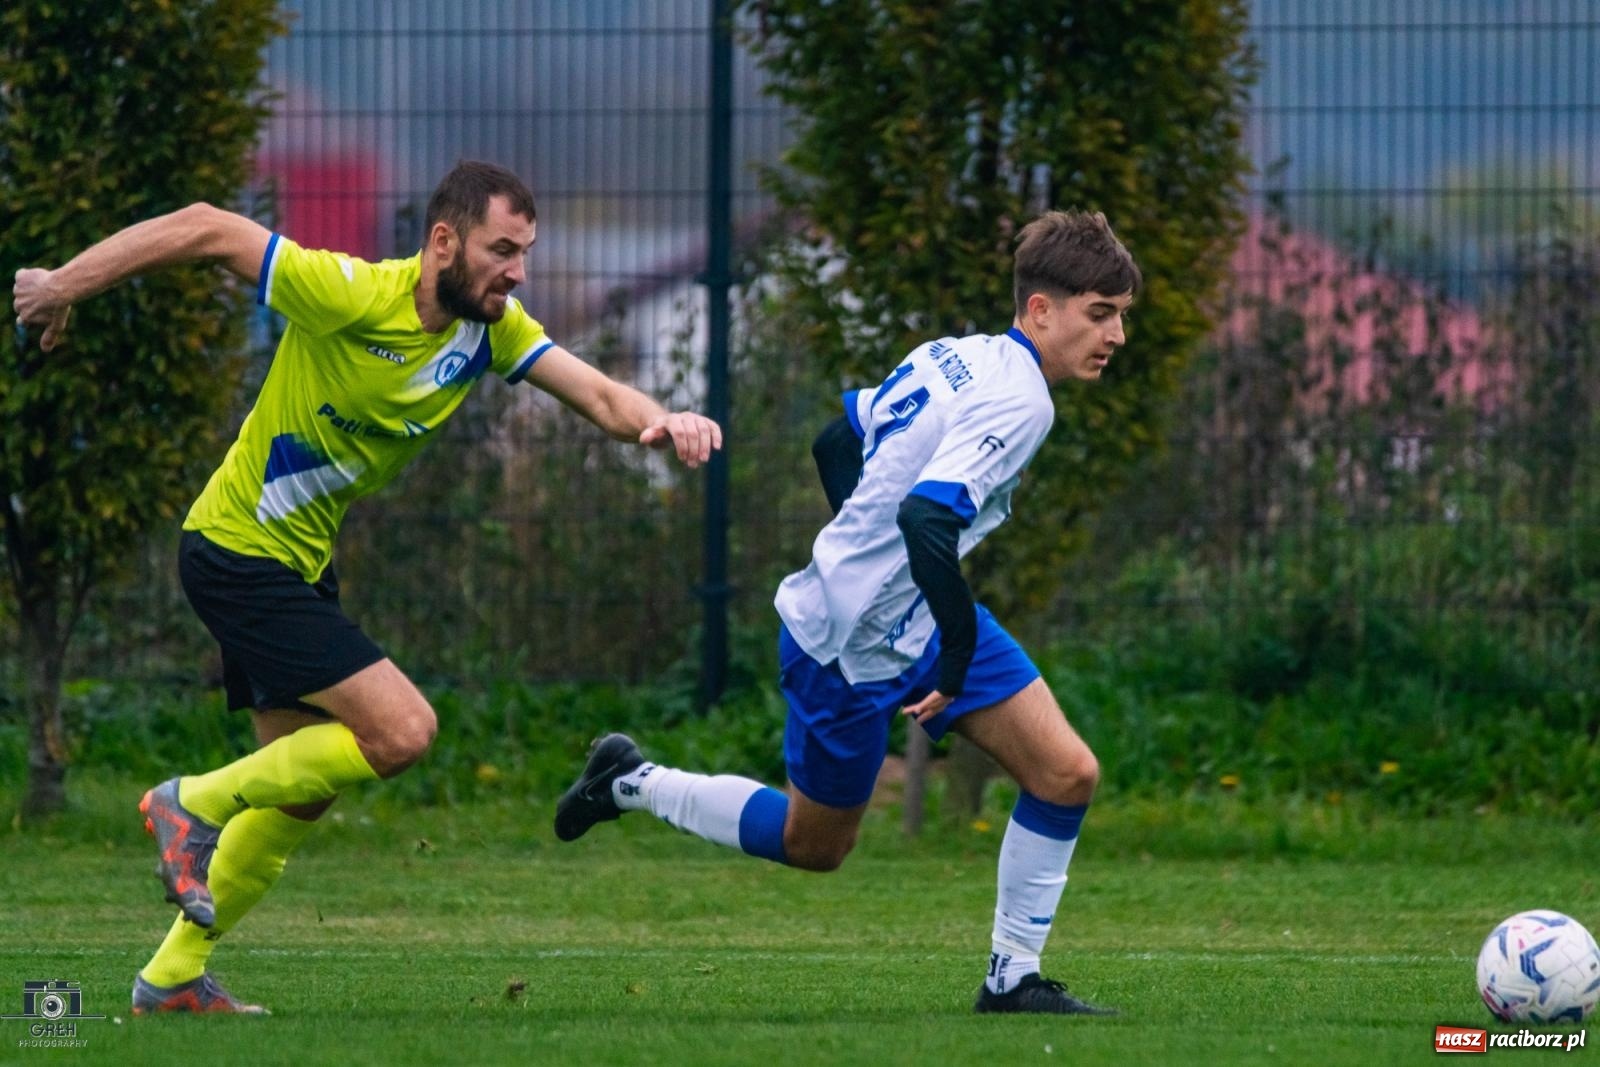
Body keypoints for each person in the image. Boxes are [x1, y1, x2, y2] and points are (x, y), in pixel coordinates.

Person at [11, 160, 721, 1016]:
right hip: (236, 553)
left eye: (526, 253)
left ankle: (170, 979)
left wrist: (663, 418)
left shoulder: (490, 331)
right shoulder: (347, 293)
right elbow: (206, 224)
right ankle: (186, 802)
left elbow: (603, 396)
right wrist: (62, 284)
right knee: (402, 731)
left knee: (301, 788)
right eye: (503, 250)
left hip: (299, 567)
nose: (518, 273)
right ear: (444, 242)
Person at [555, 209, 1137, 1015]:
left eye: (1120, 316)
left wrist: (871, 556)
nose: (1114, 334)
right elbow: (927, 520)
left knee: (1067, 773)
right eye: (1099, 313)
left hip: (913, 616)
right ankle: (632, 781)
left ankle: (1013, 978)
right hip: (849, 641)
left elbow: (838, 438)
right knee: (815, 843)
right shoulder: (1023, 402)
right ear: (1041, 309)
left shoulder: (957, 354)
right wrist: (933, 631)